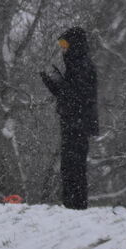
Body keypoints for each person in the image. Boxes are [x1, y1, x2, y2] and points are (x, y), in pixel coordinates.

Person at [40, 26, 99, 209]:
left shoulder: (82, 65)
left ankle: (75, 205)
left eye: (65, 43)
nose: (63, 48)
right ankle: (72, 204)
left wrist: (59, 85)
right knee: (70, 167)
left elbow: (78, 96)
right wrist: (52, 83)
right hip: (73, 122)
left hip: (77, 124)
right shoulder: (75, 64)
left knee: (74, 167)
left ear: (75, 44)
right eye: (61, 44)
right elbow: (68, 94)